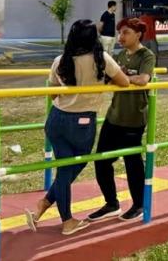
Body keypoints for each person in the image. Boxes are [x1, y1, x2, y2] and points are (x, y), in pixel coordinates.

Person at [25, 19, 129, 236]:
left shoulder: (60, 61)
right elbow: (125, 82)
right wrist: (104, 82)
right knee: (72, 167)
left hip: (56, 120)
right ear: (94, 38)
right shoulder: (102, 59)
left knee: (65, 168)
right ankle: (66, 221)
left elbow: (53, 93)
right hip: (82, 122)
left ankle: (45, 204)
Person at [89, 18, 156, 222]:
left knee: (132, 162)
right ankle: (111, 203)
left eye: (126, 32)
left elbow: (143, 79)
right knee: (101, 160)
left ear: (138, 34)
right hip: (114, 115)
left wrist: (124, 78)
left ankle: (139, 205)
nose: (121, 37)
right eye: (120, 33)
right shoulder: (119, 55)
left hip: (134, 117)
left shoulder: (146, 55)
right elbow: (109, 78)